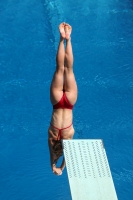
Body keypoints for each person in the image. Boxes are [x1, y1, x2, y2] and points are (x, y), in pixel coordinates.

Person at [48, 22, 78, 176]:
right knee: (60, 69)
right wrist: (53, 165)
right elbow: (52, 155)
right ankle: (62, 39)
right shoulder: (52, 137)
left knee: (69, 70)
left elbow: (69, 155)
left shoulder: (68, 138)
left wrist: (61, 167)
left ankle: (69, 39)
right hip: (57, 102)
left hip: (69, 103)